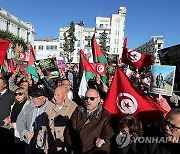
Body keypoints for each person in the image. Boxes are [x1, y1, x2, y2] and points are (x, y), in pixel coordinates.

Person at [64, 88, 114, 154]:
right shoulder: (78, 111)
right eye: (86, 98)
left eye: (92, 98)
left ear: (98, 99)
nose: (88, 101)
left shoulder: (105, 116)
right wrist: (73, 148)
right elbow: (69, 130)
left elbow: (107, 139)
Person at [42, 86, 77, 154]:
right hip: (50, 143)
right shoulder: (50, 104)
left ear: (65, 96)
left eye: (58, 95)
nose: (55, 97)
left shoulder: (73, 106)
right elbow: (44, 123)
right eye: (54, 94)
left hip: (63, 145)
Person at [16, 88, 50, 154]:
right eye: (34, 98)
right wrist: (25, 132)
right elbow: (20, 120)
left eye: (37, 98)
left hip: (43, 144)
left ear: (44, 98)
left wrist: (42, 136)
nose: (34, 100)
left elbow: (52, 126)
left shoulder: (50, 107)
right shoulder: (28, 106)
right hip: (29, 141)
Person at [9, 87, 29, 154]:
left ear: (24, 94)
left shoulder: (27, 104)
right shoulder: (15, 104)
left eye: (20, 94)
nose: (18, 96)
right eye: (16, 94)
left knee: (20, 146)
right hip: (13, 126)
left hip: (21, 127)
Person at [0, 76, 15, 154]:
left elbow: (16, 109)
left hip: (5, 126)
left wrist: (10, 118)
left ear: (5, 85)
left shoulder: (12, 95)